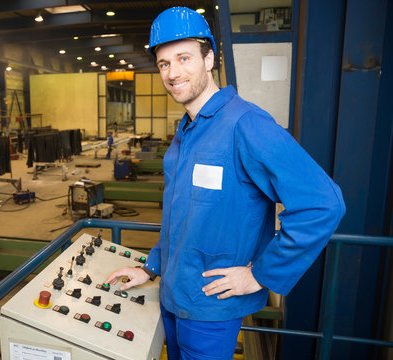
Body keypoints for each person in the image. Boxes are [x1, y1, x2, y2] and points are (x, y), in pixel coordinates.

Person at [105, 7, 345, 360]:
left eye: (184, 58)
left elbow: (324, 204)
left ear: (210, 59)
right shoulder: (187, 131)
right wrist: (150, 267)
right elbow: (181, 220)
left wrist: (261, 274)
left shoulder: (246, 125)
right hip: (173, 296)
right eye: (164, 63)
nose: (173, 73)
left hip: (210, 309)